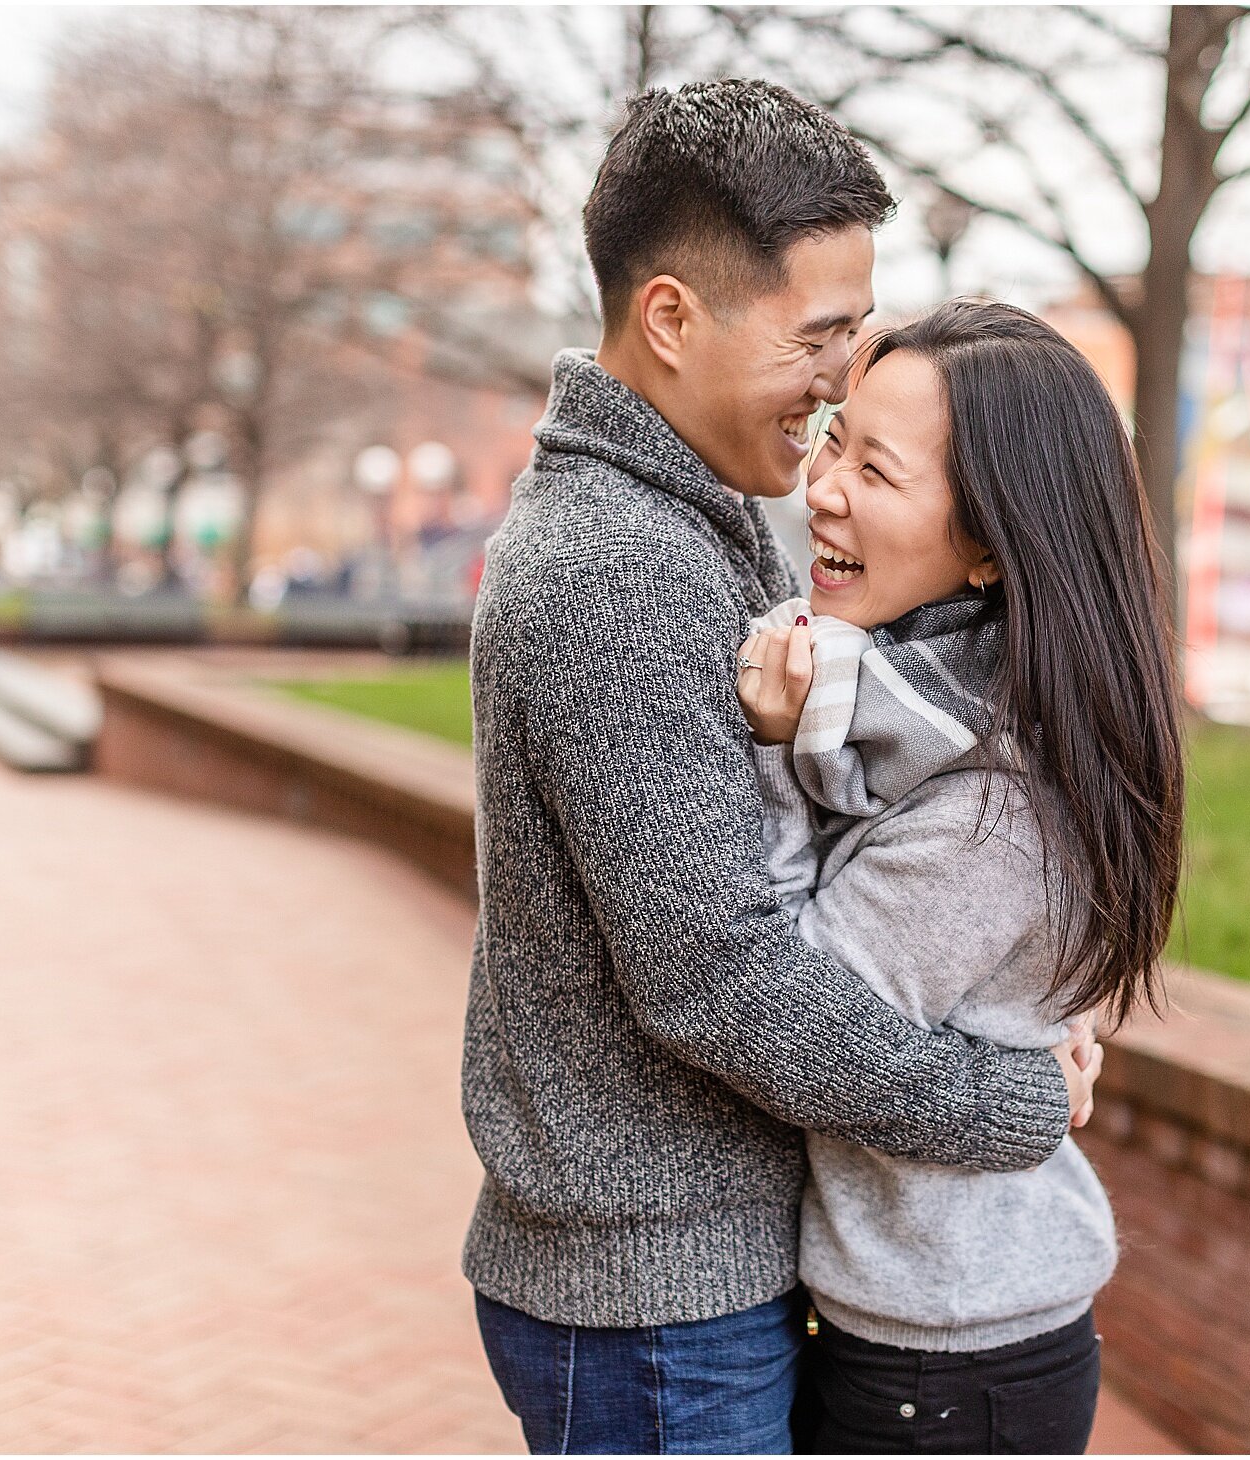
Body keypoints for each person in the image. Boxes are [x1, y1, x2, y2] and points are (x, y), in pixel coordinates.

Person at [461, 81, 1101, 1455]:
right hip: (650, 1301)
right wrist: (1011, 1104)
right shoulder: (614, 570)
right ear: (673, 319)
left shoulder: (701, 512)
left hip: (703, 1270)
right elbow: (723, 978)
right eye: (819, 335)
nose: (839, 376)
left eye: (857, 329)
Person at [735, 301, 1185, 1454]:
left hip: (946, 1362)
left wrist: (782, 752)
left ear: (988, 546)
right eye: (833, 439)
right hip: (941, 1338)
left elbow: (792, 1012)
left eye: (873, 468)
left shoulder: (993, 804)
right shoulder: (942, 708)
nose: (822, 486)